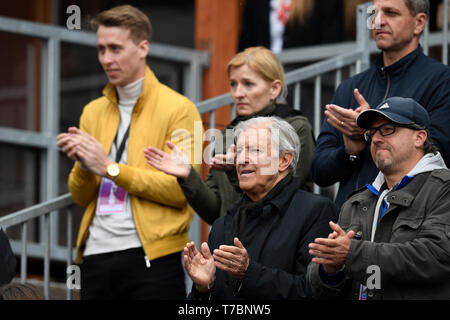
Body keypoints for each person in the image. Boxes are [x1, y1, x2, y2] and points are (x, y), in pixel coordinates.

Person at [56, 5, 203, 299]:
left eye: (115, 48)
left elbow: (182, 191)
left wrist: (110, 168)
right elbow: (81, 196)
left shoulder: (181, 109)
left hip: (153, 258)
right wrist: (85, 165)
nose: (106, 59)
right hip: (96, 254)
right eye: (101, 49)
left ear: (142, 47)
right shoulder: (92, 111)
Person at [144, 46, 315, 225]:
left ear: (274, 89)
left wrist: (235, 168)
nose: (238, 93)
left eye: (248, 84)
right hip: (231, 243)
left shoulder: (295, 128)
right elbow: (216, 212)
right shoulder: (226, 136)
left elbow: (284, 193)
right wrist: (187, 176)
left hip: (282, 240)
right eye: (233, 84)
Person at [307, 97, 450, 300]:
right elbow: (316, 289)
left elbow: (437, 257)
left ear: (419, 138)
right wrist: (330, 269)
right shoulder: (357, 202)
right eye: (372, 132)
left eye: (388, 129)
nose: (376, 139)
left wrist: (351, 254)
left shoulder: (444, 187)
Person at [311, 0, 450, 208]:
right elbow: (319, 171)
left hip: (406, 222)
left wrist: (370, 131)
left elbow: (438, 155)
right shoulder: (350, 87)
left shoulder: (442, 80)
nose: (378, 21)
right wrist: (350, 152)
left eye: (391, 13)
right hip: (348, 225)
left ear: (419, 23)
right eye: (374, 13)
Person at [182, 116, 338, 299]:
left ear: (284, 160)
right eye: (239, 152)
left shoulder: (316, 212)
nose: (242, 160)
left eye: (255, 150)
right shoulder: (222, 224)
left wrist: (249, 273)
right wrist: (204, 287)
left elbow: (314, 292)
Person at [238, 0, 343, 53]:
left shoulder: (324, 2)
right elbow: (246, 44)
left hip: (306, 82)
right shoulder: (256, 2)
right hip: (263, 80)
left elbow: (330, 44)